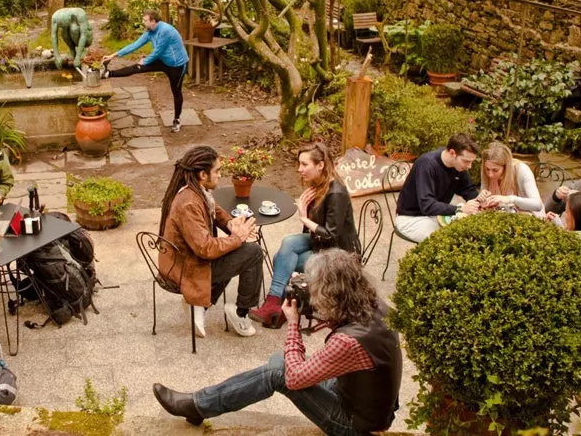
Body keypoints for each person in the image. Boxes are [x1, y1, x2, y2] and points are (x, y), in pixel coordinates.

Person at [152, 249, 402, 435]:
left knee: (279, 371)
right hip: (368, 406)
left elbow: (293, 379)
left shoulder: (349, 341)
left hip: (352, 424)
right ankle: (200, 404)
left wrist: (293, 322)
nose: (313, 295)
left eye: (316, 289)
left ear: (334, 292)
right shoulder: (375, 306)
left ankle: (197, 405)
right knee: (279, 363)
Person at [250, 143, 358, 329]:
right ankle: (275, 305)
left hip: (339, 253)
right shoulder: (318, 186)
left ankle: (276, 306)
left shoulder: (336, 193)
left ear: (320, 165)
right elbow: (313, 232)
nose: (299, 169)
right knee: (288, 244)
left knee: (281, 258)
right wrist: (307, 215)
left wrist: (303, 216)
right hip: (320, 243)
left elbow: (331, 236)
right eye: (298, 164)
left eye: (304, 164)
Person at [158, 145, 261, 337]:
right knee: (252, 253)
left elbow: (215, 210)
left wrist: (231, 224)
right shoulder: (188, 203)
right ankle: (240, 313)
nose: (220, 175)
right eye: (217, 171)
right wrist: (237, 238)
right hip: (185, 270)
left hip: (187, 260)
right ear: (202, 174)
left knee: (238, 251)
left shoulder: (196, 191)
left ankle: (202, 305)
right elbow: (206, 249)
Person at [102, 9, 190, 133]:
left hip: (177, 65)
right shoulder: (150, 31)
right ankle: (107, 74)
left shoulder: (166, 30)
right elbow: (135, 45)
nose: (143, 23)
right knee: (137, 67)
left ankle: (177, 120)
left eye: (145, 20)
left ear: (153, 21)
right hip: (162, 60)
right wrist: (113, 55)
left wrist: (146, 60)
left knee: (176, 92)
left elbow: (158, 50)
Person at [393, 133, 481, 243]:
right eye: (466, 161)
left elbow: (468, 190)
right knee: (453, 241)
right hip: (410, 218)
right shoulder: (427, 165)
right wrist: (459, 209)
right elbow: (427, 205)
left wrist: (482, 201)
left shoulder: (458, 166)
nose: (469, 166)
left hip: (436, 216)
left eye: (472, 162)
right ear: (452, 153)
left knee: (469, 232)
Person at [477, 141, 543, 216]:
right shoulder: (487, 171)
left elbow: (538, 205)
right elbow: (483, 205)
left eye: (495, 170)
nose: (490, 174)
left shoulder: (521, 170)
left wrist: (510, 199)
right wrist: (481, 198)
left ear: (506, 167)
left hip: (529, 218)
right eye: (487, 169)